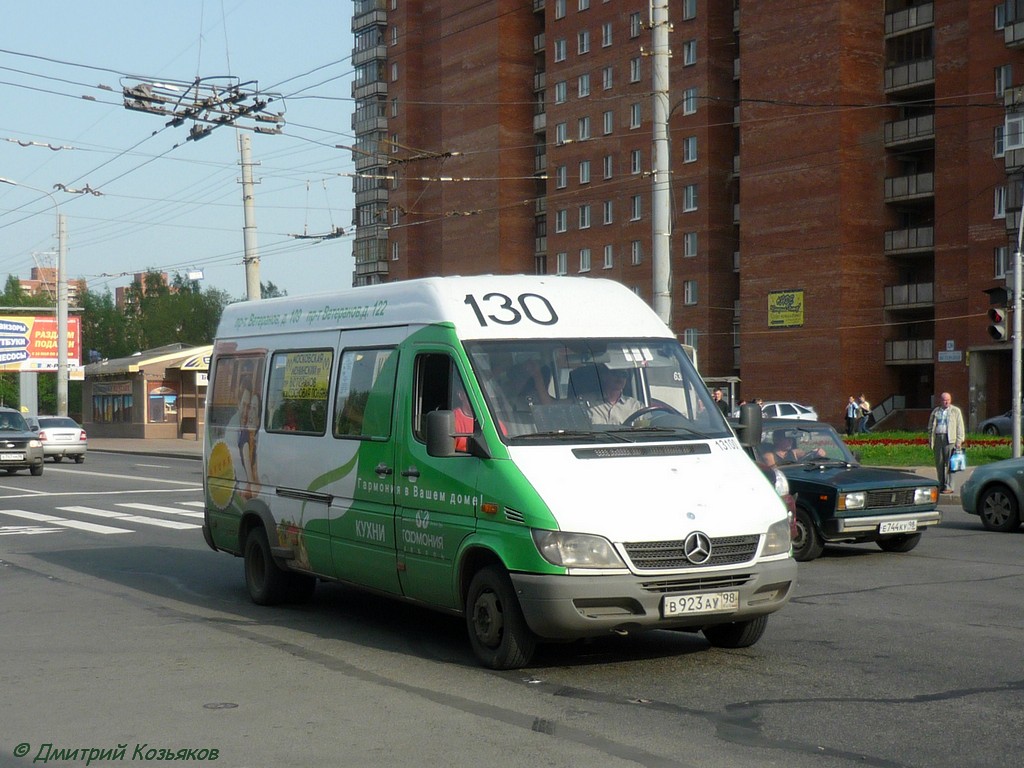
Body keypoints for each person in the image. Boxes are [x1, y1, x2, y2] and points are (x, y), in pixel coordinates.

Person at [928, 391, 965, 495]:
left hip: (950, 440)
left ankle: (949, 486)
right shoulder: (936, 411)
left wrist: (959, 440)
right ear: (941, 401)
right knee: (939, 463)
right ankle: (941, 484)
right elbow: (930, 426)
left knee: (951, 464)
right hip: (938, 438)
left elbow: (960, 426)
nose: (946, 402)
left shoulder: (955, 411)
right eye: (944, 400)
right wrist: (931, 440)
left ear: (950, 400)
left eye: (948, 400)